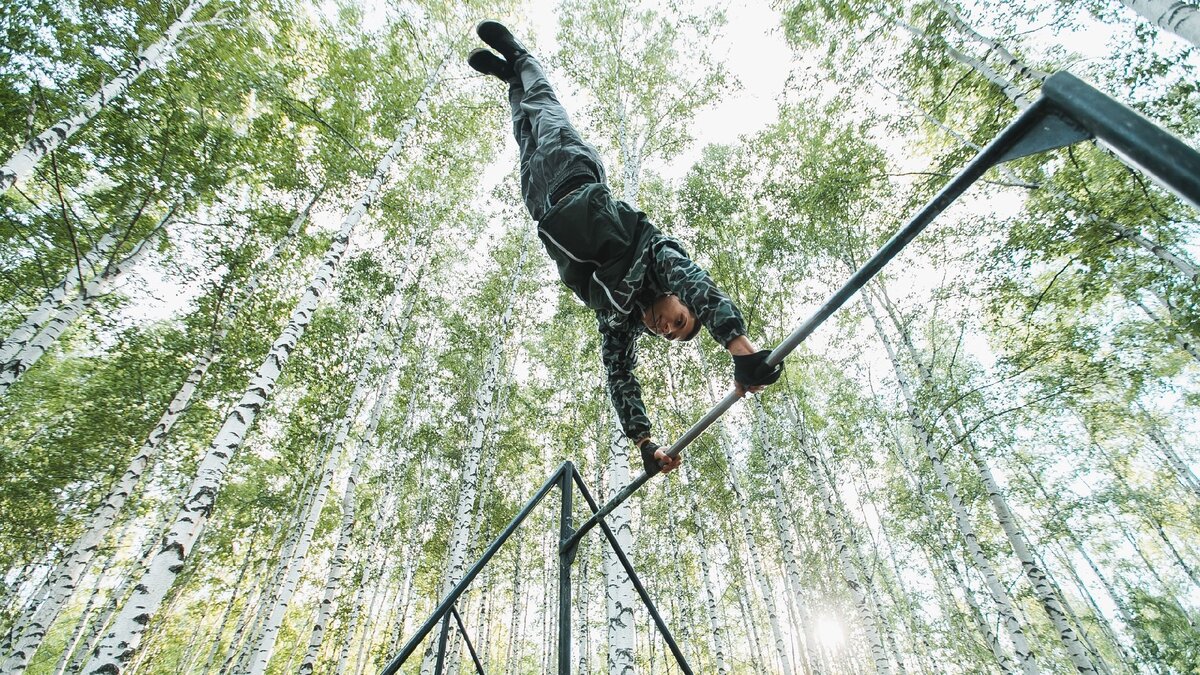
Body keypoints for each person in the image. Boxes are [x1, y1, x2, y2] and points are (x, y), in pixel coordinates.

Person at [468, 21, 782, 476]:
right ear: (676, 301)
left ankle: (511, 78)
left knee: (523, 126)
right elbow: (697, 283)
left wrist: (644, 441)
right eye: (678, 320)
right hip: (573, 172)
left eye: (669, 334)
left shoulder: (618, 318)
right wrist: (741, 350)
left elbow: (620, 377)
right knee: (543, 108)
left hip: (540, 201)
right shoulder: (655, 255)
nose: (667, 328)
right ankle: (521, 58)